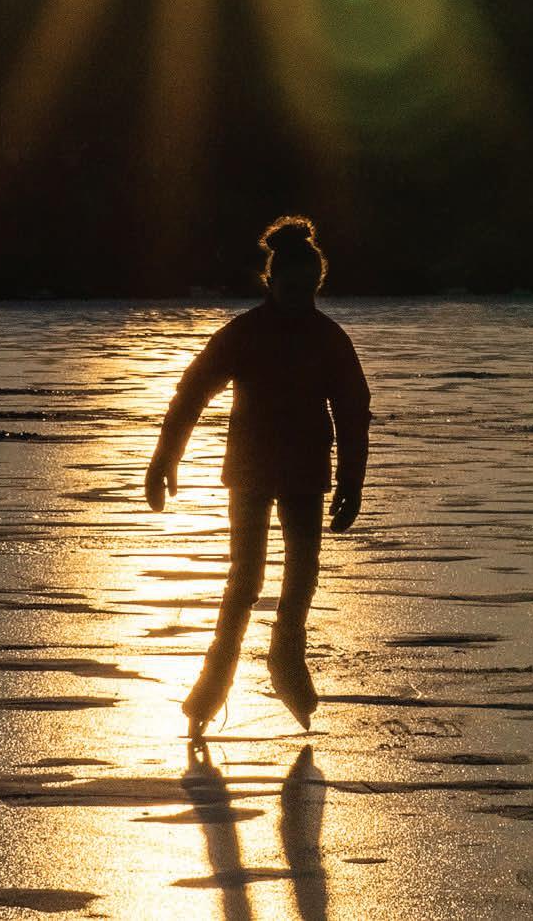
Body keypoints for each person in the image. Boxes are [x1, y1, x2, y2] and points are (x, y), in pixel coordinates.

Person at [145, 214, 371, 736]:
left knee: (302, 575)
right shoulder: (244, 334)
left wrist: (352, 482)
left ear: (318, 285)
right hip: (249, 471)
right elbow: (192, 391)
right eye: (291, 289)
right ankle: (212, 687)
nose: (299, 299)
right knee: (245, 579)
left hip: (305, 474)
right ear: (271, 282)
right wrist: (164, 459)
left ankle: (286, 657)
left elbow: (353, 411)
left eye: (309, 291)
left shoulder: (328, 338)